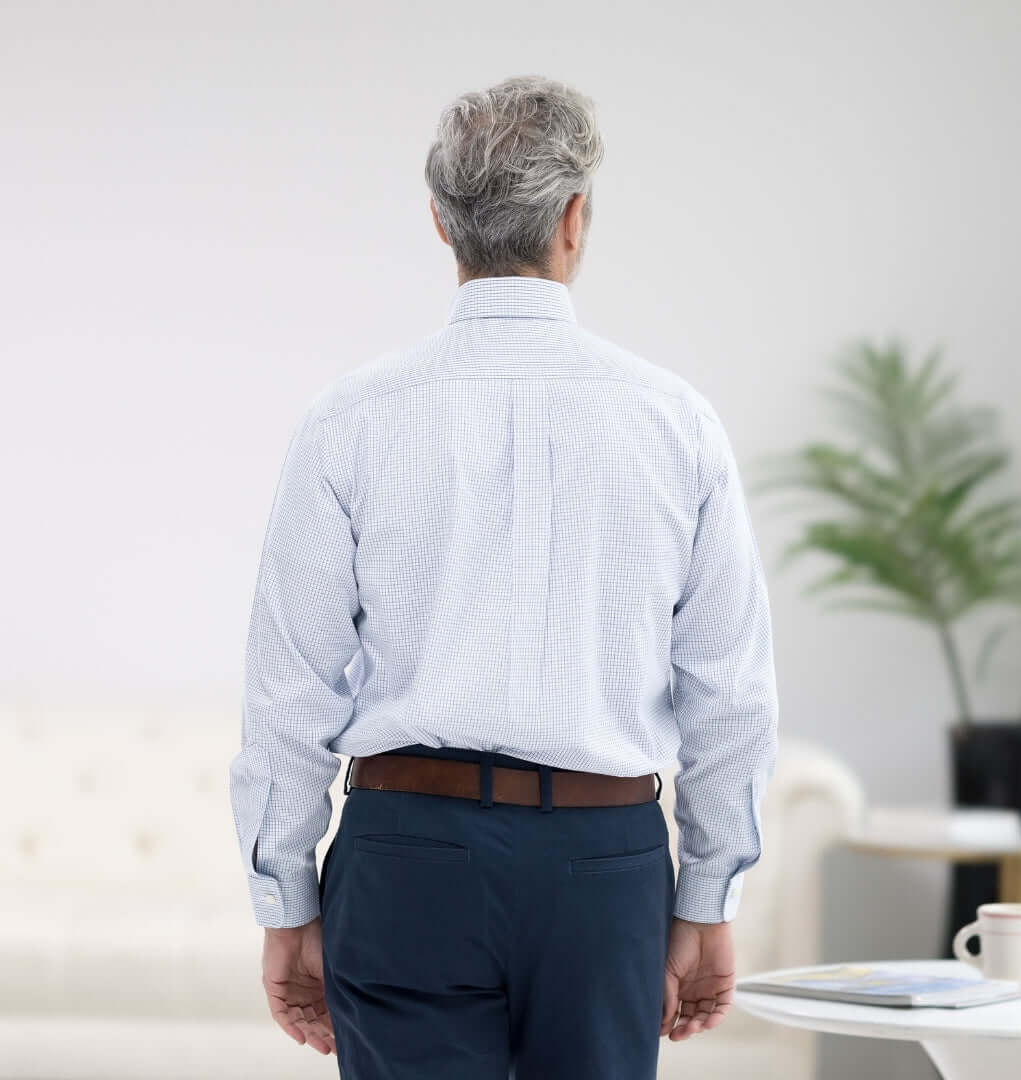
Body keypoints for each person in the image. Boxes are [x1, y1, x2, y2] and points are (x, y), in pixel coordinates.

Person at [228, 73, 779, 1080]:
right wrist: (708, 899)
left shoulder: (347, 423)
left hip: (406, 861)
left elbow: (287, 693)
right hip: (602, 863)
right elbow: (729, 692)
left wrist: (286, 905)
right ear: (576, 220)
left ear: (440, 222)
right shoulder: (677, 424)